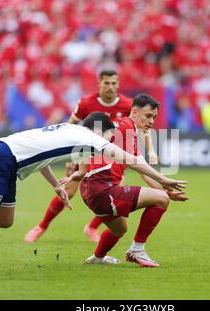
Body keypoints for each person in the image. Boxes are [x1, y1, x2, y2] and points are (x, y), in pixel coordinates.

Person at [0, 112, 185, 274]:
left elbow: (40, 160)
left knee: (5, 220)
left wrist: (58, 187)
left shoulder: (68, 130)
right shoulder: (88, 137)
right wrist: (163, 179)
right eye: (109, 137)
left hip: (6, 155)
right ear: (102, 131)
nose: (108, 142)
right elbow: (130, 159)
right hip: (4, 159)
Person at [24, 70, 159, 243]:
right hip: (86, 154)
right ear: (99, 84)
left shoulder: (127, 105)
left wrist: (151, 150)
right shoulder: (86, 102)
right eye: (107, 83)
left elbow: (142, 126)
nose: (111, 87)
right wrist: (73, 156)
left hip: (112, 157)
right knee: (69, 189)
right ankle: (41, 226)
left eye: (114, 83)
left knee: (116, 189)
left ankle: (92, 227)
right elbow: (71, 125)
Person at [63, 94, 188, 267]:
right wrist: (164, 185)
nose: (151, 121)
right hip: (102, 191)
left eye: (154, 117)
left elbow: (142, 169)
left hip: (90, 191)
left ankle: (97, 258)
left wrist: (165, 189)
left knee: (119, 228)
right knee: (161, 200)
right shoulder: (127, 128)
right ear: (135, 112)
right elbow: (138, 165)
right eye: (148, 116)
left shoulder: (124, 128)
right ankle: (137, 250)